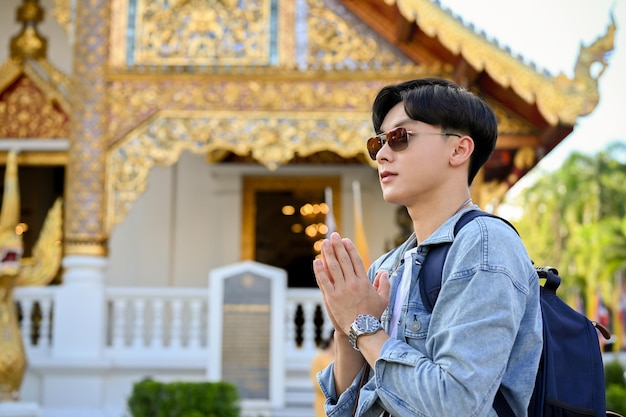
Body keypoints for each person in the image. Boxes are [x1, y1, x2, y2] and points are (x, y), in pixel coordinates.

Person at [313, 78, 543, 416]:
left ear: (459, 149)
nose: (383, 154)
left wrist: (363, 327)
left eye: (399, 137)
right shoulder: (387, 267)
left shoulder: (484, 245)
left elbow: (456, 404)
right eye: (378, 143)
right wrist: (345, 326)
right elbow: (347, 410)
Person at [311, 329, 335, 417]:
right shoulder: (319, 358)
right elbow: (317, 383)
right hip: (323, 401)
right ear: (331, 341)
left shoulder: (341, 360)